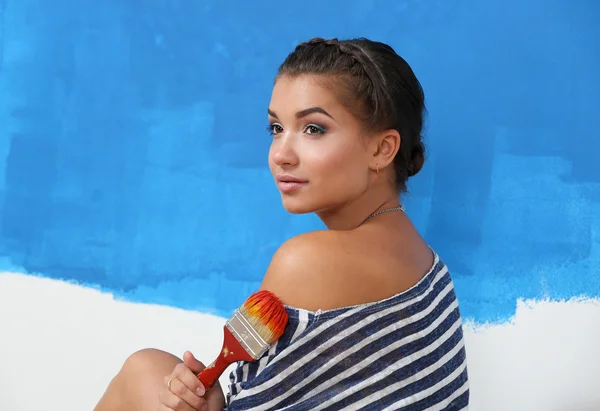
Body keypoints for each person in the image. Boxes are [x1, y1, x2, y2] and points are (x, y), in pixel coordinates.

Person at [94, 37, 469, 411]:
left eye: (313, 129)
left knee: (141, 370)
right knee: (152, 369)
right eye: (276, 128)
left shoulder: (307, 262)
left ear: (381, 149)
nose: (281, 155)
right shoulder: (428, 264)